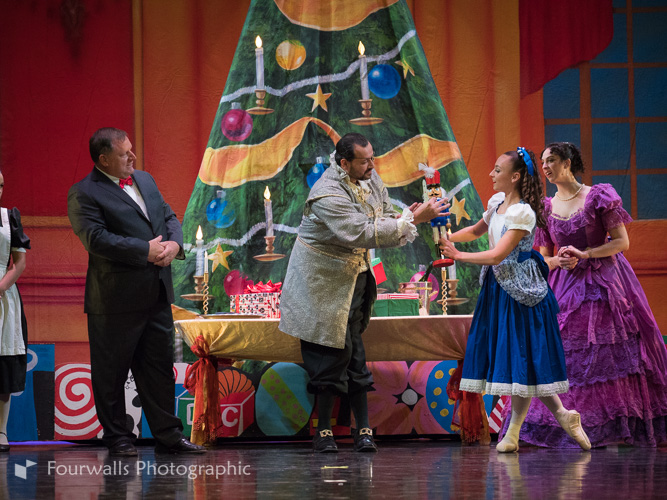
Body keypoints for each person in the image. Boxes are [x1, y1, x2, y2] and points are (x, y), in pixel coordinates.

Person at [279, 132, 450, 453]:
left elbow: (382, 217)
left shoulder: (370, 179)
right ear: (344, 163)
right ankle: (324, 431)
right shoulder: (327, 193)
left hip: (353, 281)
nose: (372, 166)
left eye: (372, 158)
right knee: (330, 358)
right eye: (364, 161)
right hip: (321, 288)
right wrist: (412, 219)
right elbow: (359, 231)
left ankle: (364, 430)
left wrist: (403, 217)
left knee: (355, 356)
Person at [514, 142, 667, 448]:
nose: (545, 167)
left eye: (551, 160)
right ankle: (567, 425)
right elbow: (544, 255)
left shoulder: (598, 196)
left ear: (568, 162)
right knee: (564, 352)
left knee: (608, 354)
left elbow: (622, 242)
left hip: (604, 283)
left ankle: (611, 428)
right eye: (543, 162)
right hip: (563, 285)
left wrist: (586, 254)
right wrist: (558, 261)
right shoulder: (545, 207)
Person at [440, 147, 591, 452]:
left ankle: (514, 433)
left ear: (515, 177)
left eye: (498, 170)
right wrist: (447, 237)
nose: (492, 174)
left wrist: (458, 255)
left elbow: (498, 254)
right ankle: (561, 416)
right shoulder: (497, 202)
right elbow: (476, 230)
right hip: (497, 290)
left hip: (521, 293)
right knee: (517, 362)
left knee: (522, 359)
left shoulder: (522, 212)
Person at [68, 127, 204, 456]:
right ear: (104, 160)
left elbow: (168, 216)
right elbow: (96, 239)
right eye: (124, 153)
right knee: (112, 372)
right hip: (114, 300)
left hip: (156, 293)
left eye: (131, 149)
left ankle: (169, 435)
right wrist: (144, 250)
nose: (133, 156)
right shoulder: (84, 192)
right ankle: (118, 437)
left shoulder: (145, 179)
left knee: (158, 368)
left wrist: (174, 244)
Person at [0, 170, 30, 452]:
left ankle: (1, 431)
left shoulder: (9, 218)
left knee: (4, 364)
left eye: (1, 185)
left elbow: (19, 263)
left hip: (3, 294)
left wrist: (0, 287)